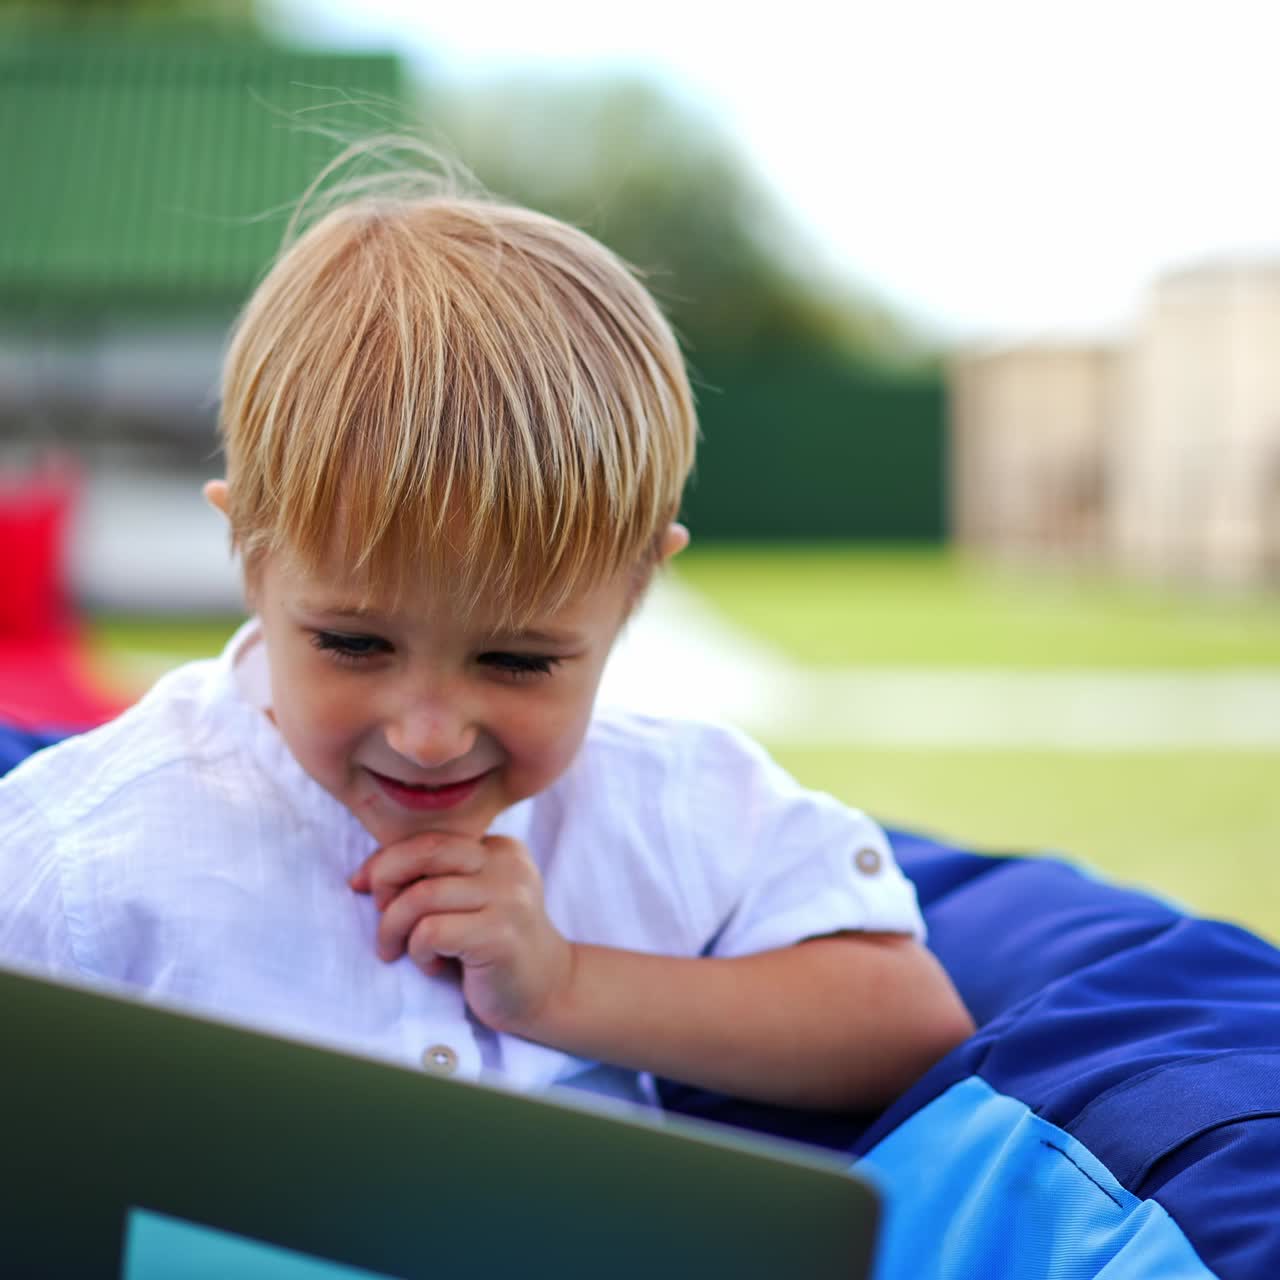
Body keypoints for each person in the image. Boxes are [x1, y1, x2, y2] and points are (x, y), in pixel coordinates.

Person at [0, 147, 972, 1111]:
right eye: (354, 642)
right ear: (250, 556)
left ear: (634, 587)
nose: (429, 735)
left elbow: (901, 1018)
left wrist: (565, 986)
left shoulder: (667, 805)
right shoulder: (92, 847)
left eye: (515, 659)